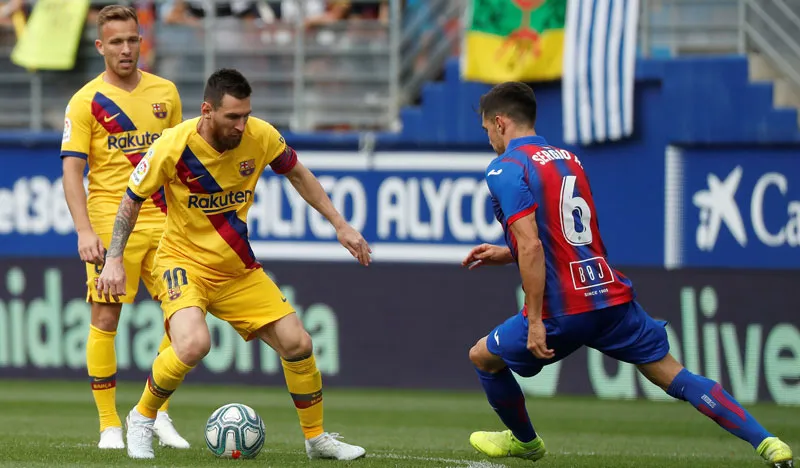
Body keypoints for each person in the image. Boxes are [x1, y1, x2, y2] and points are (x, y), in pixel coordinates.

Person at [462, 82, 794, 467]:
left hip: (561, 310)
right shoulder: (568, 159)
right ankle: (769, 442)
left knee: (483, 357)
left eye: (487, 129)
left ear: (500, 123)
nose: (489, 139)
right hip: (609, 297)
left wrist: (535, 319)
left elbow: (534, 245)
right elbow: (567, 234)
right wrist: (507, 253)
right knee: (674, 375)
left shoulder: (505, 167)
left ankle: (526, 443)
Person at [95, 68, 371, 461]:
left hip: (236, 268)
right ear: (207, 111)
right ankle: (142, 418)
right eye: (233, 117)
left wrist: (340, 225)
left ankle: (316, 438)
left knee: (298, 342)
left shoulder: (261, 135)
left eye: (246, 115)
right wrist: (114, 259)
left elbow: (297, 173)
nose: (242, 125)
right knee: (193, 343)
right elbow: (131, 199)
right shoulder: (173, 145)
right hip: (182, 262)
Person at [60, 4, 189, 451]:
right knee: (106, 318)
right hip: (110, 226)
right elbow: (72, 172)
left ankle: (156, 415)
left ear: (142, 41)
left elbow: (179, 162)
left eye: (132, 39)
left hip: (164, 222)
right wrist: (83, 231)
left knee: (183, 318)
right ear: (100, 47)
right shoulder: (84, 102)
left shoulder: (166, 93)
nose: (126, 49)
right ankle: (109, 425)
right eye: (116, 41)